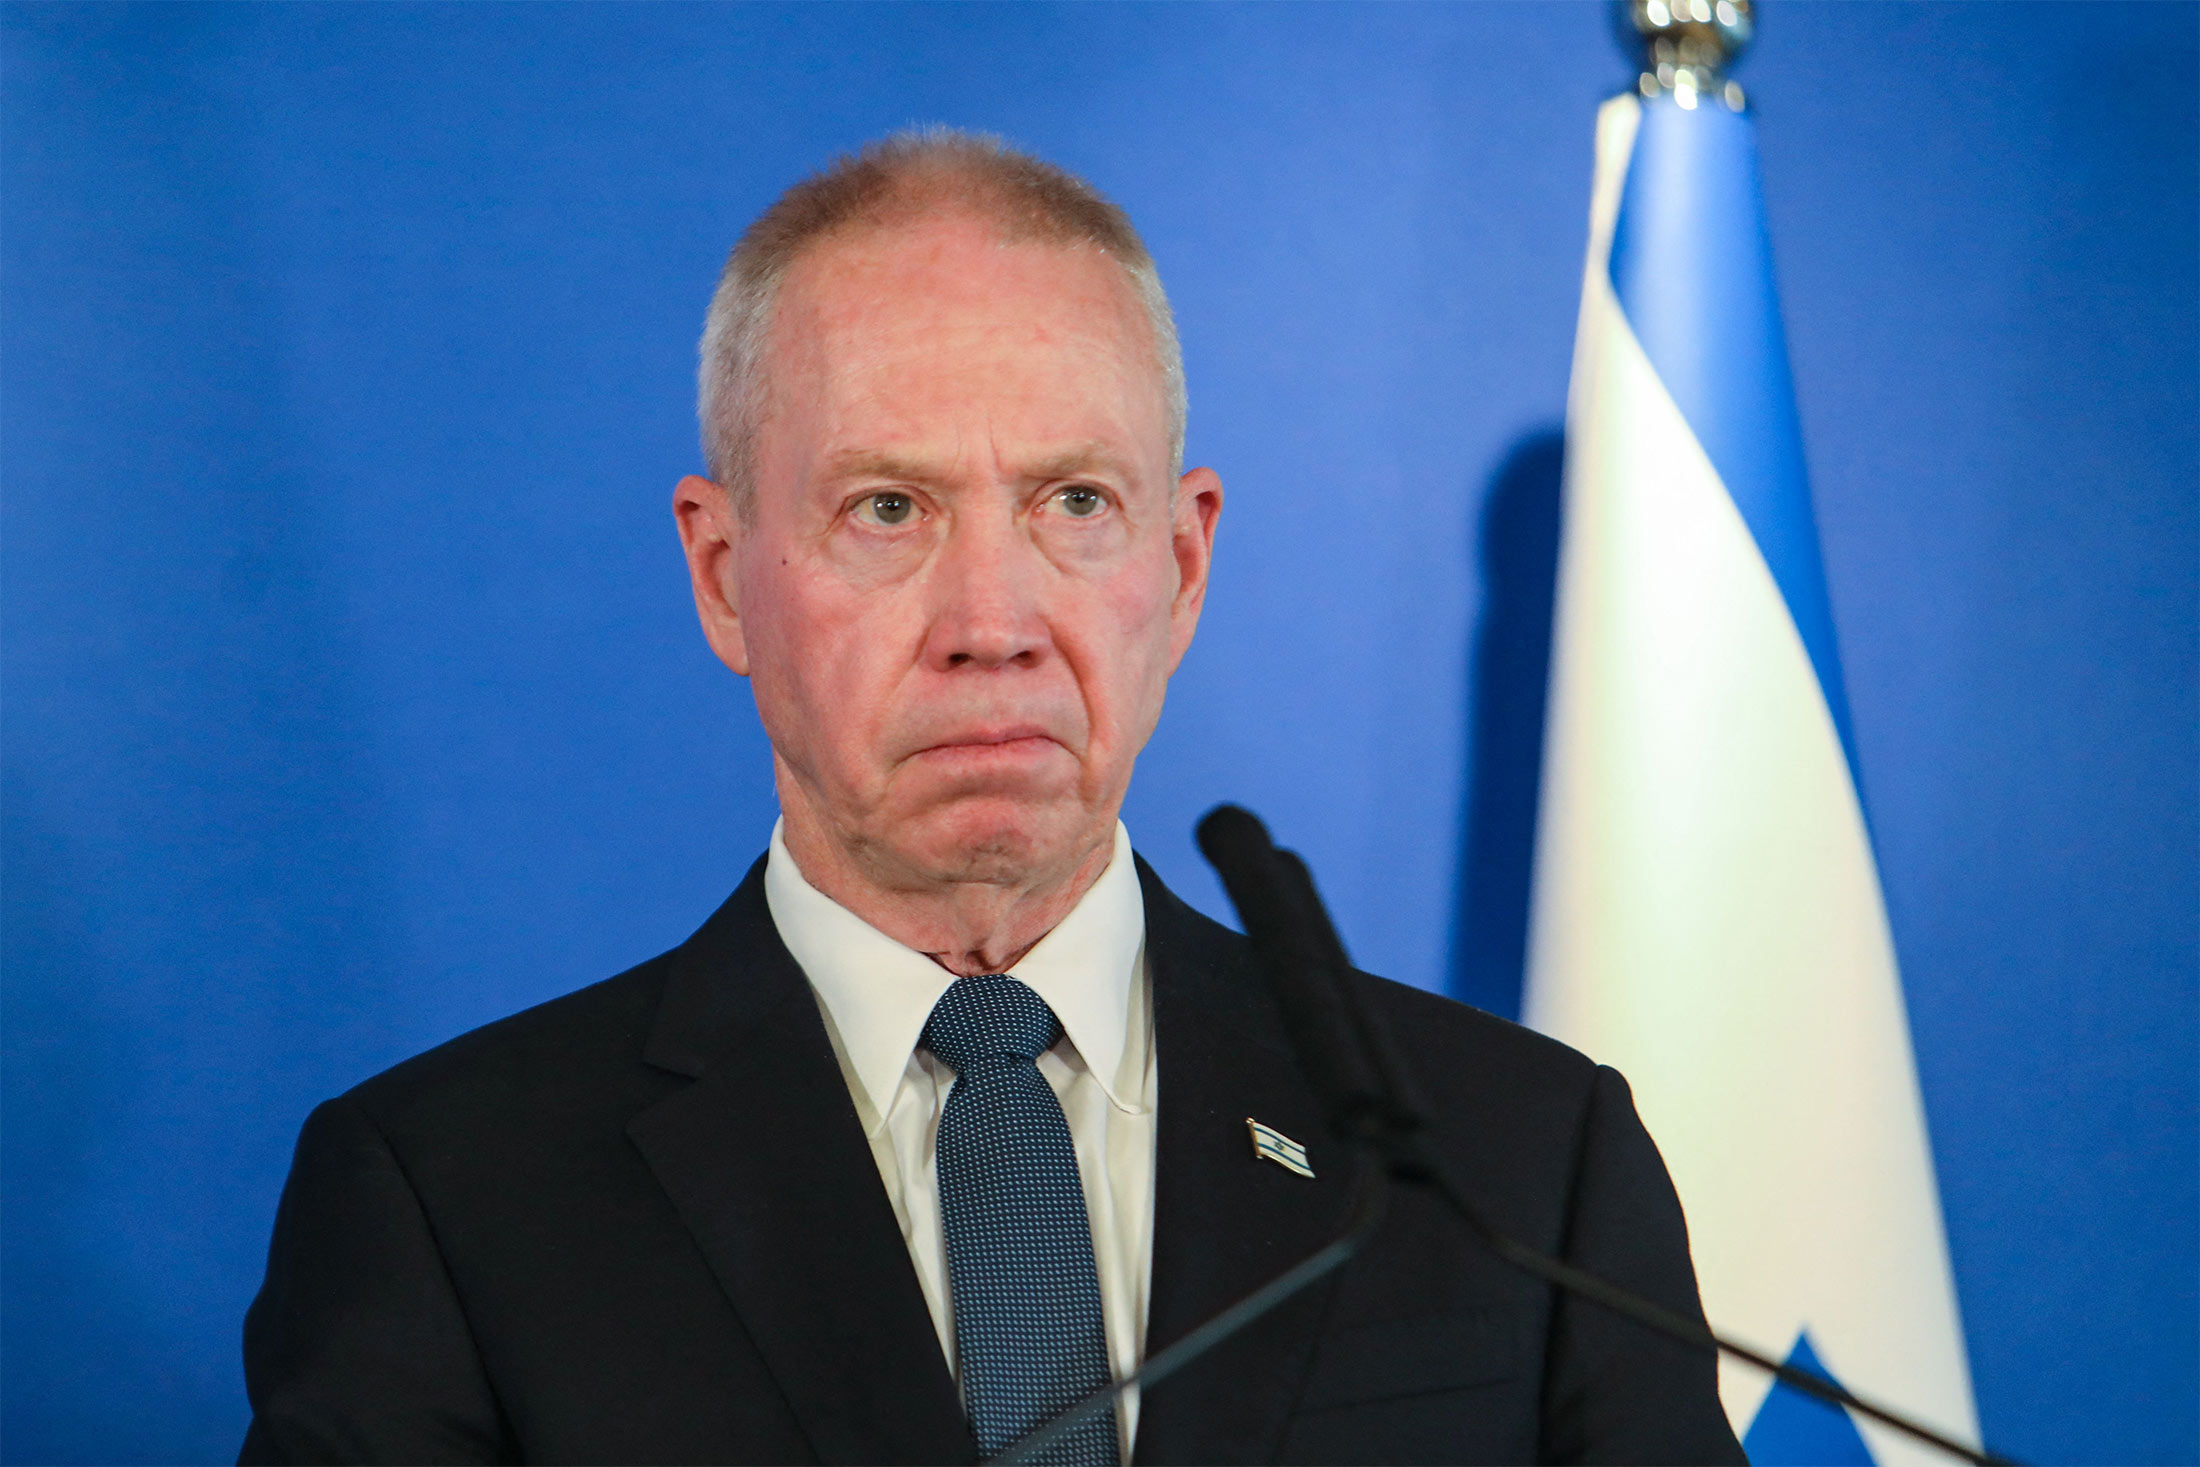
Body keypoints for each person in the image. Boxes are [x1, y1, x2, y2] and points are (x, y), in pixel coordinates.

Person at [239, 129, 1745, 1466]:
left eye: (1073, 504)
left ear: (1184, 561)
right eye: (887, 508)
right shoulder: (452, 1198)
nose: (993, 618)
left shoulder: (1520, 1162)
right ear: (723, 578)